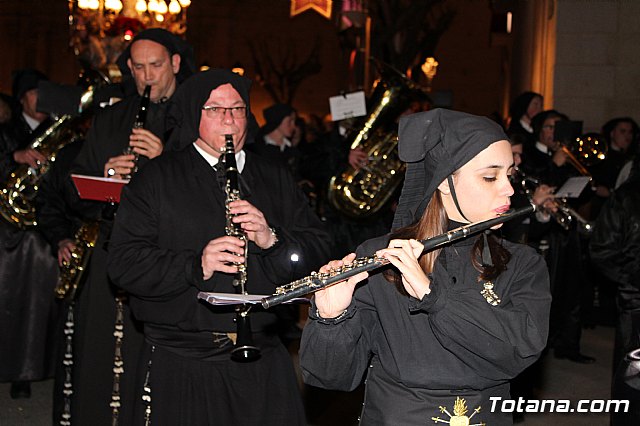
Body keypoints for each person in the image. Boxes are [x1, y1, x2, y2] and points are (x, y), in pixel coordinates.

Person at [107, 69, 332, 425]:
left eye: (237, 109)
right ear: (195, 113)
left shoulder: (274, 176)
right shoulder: (157, 178)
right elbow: (123, 263)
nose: (228, 119)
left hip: (263, 358)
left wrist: (273, 241)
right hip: (182, 362)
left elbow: (319, 251)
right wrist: (195, 266)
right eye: (215, 109)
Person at [299, 108, 551, 425]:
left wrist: (433, 295)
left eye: (509, 175)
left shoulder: (522, 263)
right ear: (444, 182)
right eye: (490, 177)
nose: (509, 190)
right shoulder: (380, 256)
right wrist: (331, 319)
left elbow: (519, 352)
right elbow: (331, 376)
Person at [64, 28, 195, 426]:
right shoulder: (111, 119)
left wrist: (167, 155)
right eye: (137, 68)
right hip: (114, 243)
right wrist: (106, 176)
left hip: (172, 252)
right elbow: (74, 191)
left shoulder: (194, 116)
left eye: (155, 65)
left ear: (174, 64)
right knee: (104, 352)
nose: (147, 77)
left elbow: (210, 187)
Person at [0, 69, 59, 400]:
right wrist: (14, 157)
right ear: (22, 97)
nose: (42, 100)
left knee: (40, 305)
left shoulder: (62, 131)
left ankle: (33, 369)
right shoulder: (6, 130)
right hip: (8, 232)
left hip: (44, 230)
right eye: (36, 93)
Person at [590, 154, 640, 374]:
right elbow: (602, 250)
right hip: (636, 300)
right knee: (634, 375)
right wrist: (631, 282)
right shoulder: (626, 197)